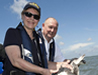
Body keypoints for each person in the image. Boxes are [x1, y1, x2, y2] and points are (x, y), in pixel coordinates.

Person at [3, 2, 72, 75]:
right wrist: (43, 71)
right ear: (22, 16)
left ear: (38, 20)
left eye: (36, 17)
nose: (32, 18)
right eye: (28, 14)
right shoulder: (12, 33)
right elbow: (15, 60)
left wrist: (62, 65)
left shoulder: (39, 40)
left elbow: (45, 63)